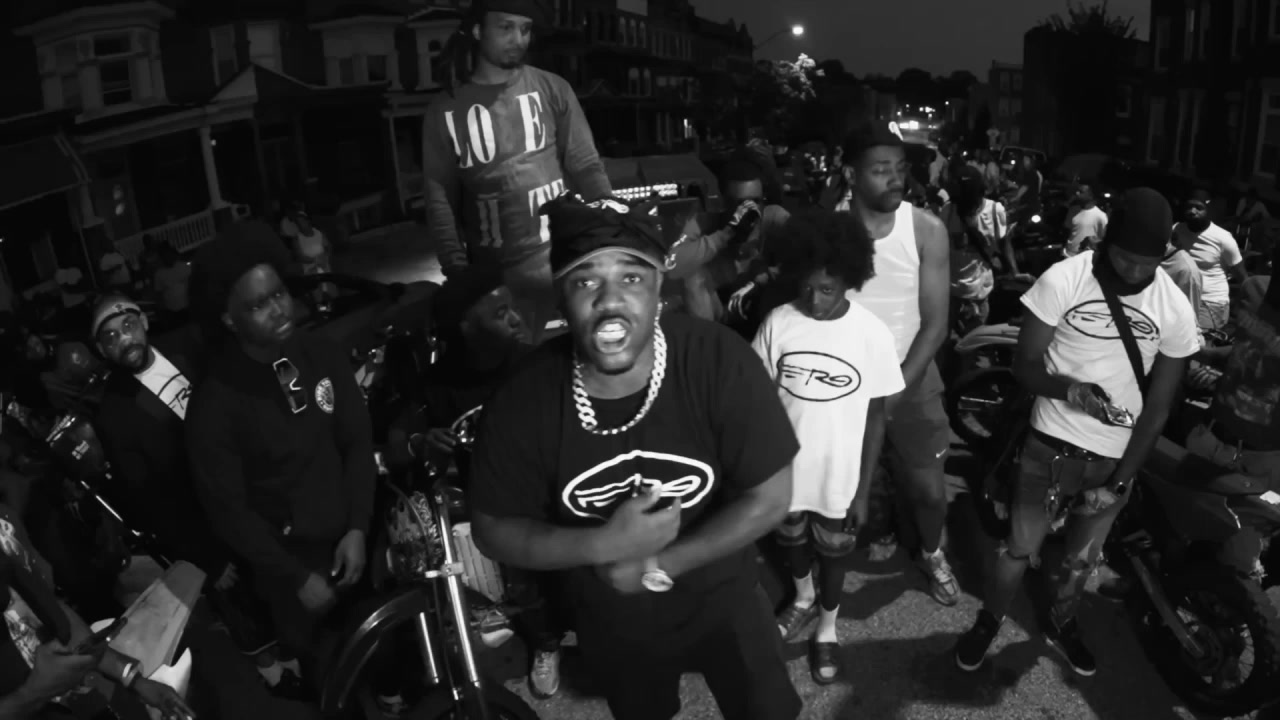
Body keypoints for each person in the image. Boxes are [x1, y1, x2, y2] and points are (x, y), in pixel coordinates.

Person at [467, 193, 801, 720]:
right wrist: (603, 543)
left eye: (631, 277)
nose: (610, 301)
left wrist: (655, 565)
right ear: (561, 298)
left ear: (659, 288)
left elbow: (772, 495)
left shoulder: (717, 358)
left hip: (724, 594)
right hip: (611, 615)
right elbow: (491, 528)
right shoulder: (524, 397)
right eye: (585, 281)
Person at [954, 188, 1200, 677]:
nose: (1135, 271)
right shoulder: (1065, 278)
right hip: (1048, 446)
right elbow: (1025, 366)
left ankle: (1062, 622)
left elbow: (1157, 408)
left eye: (1148, 263)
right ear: (1107, 242)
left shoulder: (1174, 307)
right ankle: (989, 620)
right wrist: (1071, 391)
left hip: (1111, 460)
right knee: (1019, 548)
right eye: (1125, 258)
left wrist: (1121, 482)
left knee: (1081, 561)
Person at [184, 221, 376, 682]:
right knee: (330, 677)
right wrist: (295, 577)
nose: (277, 309)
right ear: (230, 320)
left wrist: (358, 526)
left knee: (380, 657)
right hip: (291, 569)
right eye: (258, 305)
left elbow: (356, 441)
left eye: (278, 295)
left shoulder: (321, 352)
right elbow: (228, 510)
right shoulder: (215, 402)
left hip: (352, 542)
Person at [90, 295, 308, 700]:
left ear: (144, 322)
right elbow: (150, 500)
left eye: (128, 326)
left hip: (253, 493)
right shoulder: (114, 414)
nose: (124, 339)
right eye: (111, 337)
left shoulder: (187, 347)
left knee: (279, 583)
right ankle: (274, 675)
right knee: (242, 605)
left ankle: (296, 652)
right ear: (103, 351)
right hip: (207, 524)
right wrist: (205, 557)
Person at [385, 268, 568, 699]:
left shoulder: (535, 363)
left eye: (512, 308)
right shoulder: (438, 384)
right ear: (466, 327)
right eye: (500, 313)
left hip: (555, 491)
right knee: (523, 581)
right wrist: (421, 442)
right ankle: (546, 644)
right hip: (499, 506)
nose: (516, 319)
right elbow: (396, 444)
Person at [751, 209, 901, 685]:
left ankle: (828, 628)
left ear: (850, 281)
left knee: (834, 556)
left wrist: (863, 490)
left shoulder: (871, 334)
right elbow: (757, 400)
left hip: (838, 476)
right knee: (791, 541)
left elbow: (876, 417)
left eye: (827, 289)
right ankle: (801, 598)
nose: (814, 301)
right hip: (785, 472)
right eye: (806, 288)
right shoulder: (778, 322)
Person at [424, 0, 611, 341]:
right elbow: (439, 198)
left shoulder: (553, 88)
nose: (518, 39)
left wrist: (611, 222)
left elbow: (585, 164)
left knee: (582, 356)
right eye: (506, 27)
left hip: (563, 257)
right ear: (478, 30)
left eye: (525, 29)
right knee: (520, 367)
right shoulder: (444, 110)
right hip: (497, 278)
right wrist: (457, 271)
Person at [842, 123, 958, 606]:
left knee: (930, 492)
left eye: (900, 168)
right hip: (844, 381)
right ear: (851, 175)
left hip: (913, 374)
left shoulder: (926, 229)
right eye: (880, 169)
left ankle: (932, 552)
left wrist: (895, 388)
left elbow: (936, 324)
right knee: (834, 488)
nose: (895, 178)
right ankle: (815, 585)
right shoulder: (830, 229)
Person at [0, 502, 193, 720]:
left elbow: (51, 608)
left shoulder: (4, 520)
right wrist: (34, 693)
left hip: (84, 699)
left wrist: (131, 678)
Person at [1184, 239, 1280, 578]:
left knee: (1238, 560)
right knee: (1182, 531)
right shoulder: (1254, 290)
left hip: (1263, 463)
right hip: (1210, 437)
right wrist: (1207, 356)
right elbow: (1248, 349)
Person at [666, 157, 789, 326]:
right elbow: (672, 266)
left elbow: (812, 246)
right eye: (741, 203)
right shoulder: (703, 223)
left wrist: (764, 278)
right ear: (724, 203)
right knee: (692, 278)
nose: (751, 210)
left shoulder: (773, 219)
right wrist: (725, 235)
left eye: (756, 201)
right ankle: (711, 339)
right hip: (719, 314)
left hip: (765, 309)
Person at [939, 166, 1017, 333]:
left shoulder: (995, 210)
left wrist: (1014, 271)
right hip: (951, 291)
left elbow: (1005, 242)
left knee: (974, 339)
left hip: (980, 292)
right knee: (943, 337)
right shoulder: (948, 210)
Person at [1172, 188, 1248, 330]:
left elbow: (1242, 277)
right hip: (1180, 298)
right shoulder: (1176, 230)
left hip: (1209, 303)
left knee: (1199, 341)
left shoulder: (1222, 238)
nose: (1192, 211)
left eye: (1198, 207)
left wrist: (1241, 308)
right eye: (1189, 207)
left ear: (1208, 209)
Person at [1064, 184, 1109, 257]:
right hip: (1068, 254)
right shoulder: (1073, 210)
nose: (1077, 193)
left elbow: (1103, 238)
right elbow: (1068, 231)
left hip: (1085, 257)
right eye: (1077, 191)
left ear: (1090, 195)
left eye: (1081, 192)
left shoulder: (1100, 216)